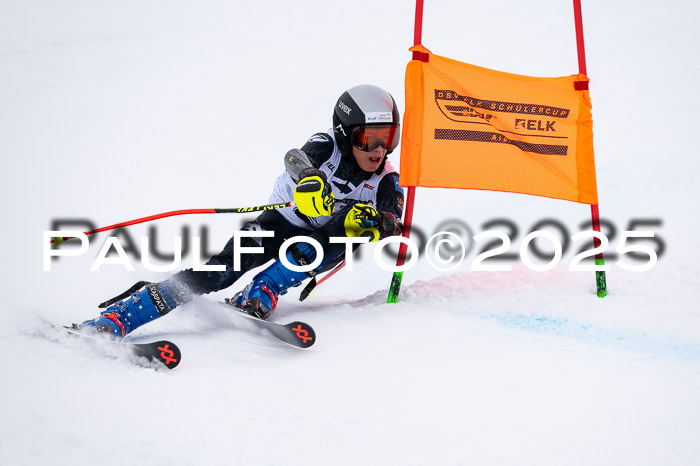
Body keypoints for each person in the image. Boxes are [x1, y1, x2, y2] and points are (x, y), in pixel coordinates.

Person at [77, 84, 405, 338]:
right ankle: (120, 318)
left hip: (321, 244)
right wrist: (308, 179)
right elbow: (295, 157)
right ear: (345, 134)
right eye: (367, 139)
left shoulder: (387, 179)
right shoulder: (326, 145)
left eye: (387, 139)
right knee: (219, 272)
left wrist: (380, 222)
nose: (378, 150)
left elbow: (393, 216)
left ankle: (264, 289)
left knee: (345, 230)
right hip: (277, 223)